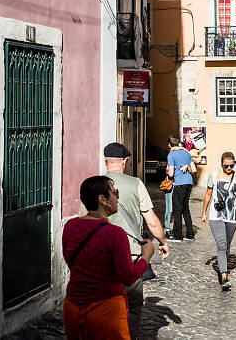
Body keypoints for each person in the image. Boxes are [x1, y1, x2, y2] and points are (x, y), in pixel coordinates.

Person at [62, 175, 154, 340]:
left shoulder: (70, 226)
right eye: (114, 192)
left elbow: (70, 261)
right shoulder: (114, 233)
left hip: (74, 307)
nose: (117, 198)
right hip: (106, 310)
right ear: (102, 199)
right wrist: (145, 257)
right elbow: (128, 277)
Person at [104, 142, 169, 340]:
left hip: (101, 254)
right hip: (129, 254)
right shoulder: (135, 184)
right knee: (132, 306)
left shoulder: (93, 184)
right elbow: (151, 220)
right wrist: (163, 241)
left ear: (105, 161)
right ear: (124, 161)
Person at [200, 152, 236, 291]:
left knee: (227, 246)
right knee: (222, 245)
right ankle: (224, 276)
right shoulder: (214, 176)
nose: (229, 168)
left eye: (232, 165)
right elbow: (208, 194)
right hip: (216, 215)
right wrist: (203, 213)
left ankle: (222, 266)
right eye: (226, 166)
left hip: (232, 216)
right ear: (221, 164)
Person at [167, 136, 197, 242]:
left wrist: (167, 170)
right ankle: (190, 234)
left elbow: (170, 173)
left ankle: (177, 235)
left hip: (179, 184)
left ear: (169, 145)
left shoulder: (171, 155)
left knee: (177, 210)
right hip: (189, 183)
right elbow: (194, 169)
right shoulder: (186, 153)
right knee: (185, 209)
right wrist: (186, 167)